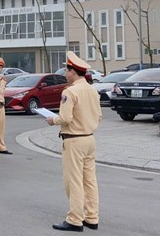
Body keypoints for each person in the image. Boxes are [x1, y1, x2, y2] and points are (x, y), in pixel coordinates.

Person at [47, 51, 101, 232]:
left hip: (74, 140)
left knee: (74, 181)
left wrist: (52, 120)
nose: (64, 73)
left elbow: (65, 118)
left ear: (72, 72)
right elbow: (99, 115)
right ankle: (91, 217)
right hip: (89, 139)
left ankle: (75, 219)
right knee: (90, 180)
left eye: (66, 69)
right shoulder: (92, 90)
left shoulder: (69, 92)